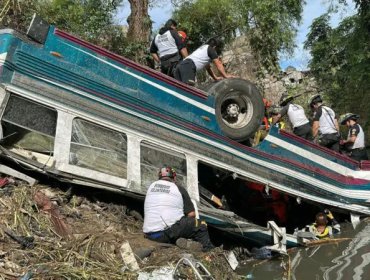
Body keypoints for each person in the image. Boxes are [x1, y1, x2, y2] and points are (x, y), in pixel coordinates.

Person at [143, 166, 214, 252]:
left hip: (149, 234)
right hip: (165, 233)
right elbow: (191, 214)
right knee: (200, 224)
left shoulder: (151, 187)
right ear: (174, 177)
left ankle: (180, 242)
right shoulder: (178, 188)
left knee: (177, 224)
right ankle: (208, 252)